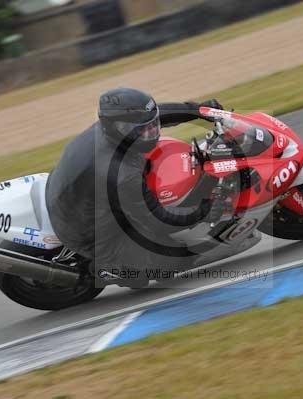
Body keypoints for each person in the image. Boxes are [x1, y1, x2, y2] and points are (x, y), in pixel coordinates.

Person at [45, 87, 223, 286]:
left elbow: (156, 114)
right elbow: (158, 219)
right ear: (117, 127)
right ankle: (107, 269)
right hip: (88, 234)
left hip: (70, 195)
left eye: (153, 125)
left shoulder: (110, 128)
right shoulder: (121, 173)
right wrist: (203, 210)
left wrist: (198, 110)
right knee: (175, 258)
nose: (151, 133)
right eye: (142, 129)